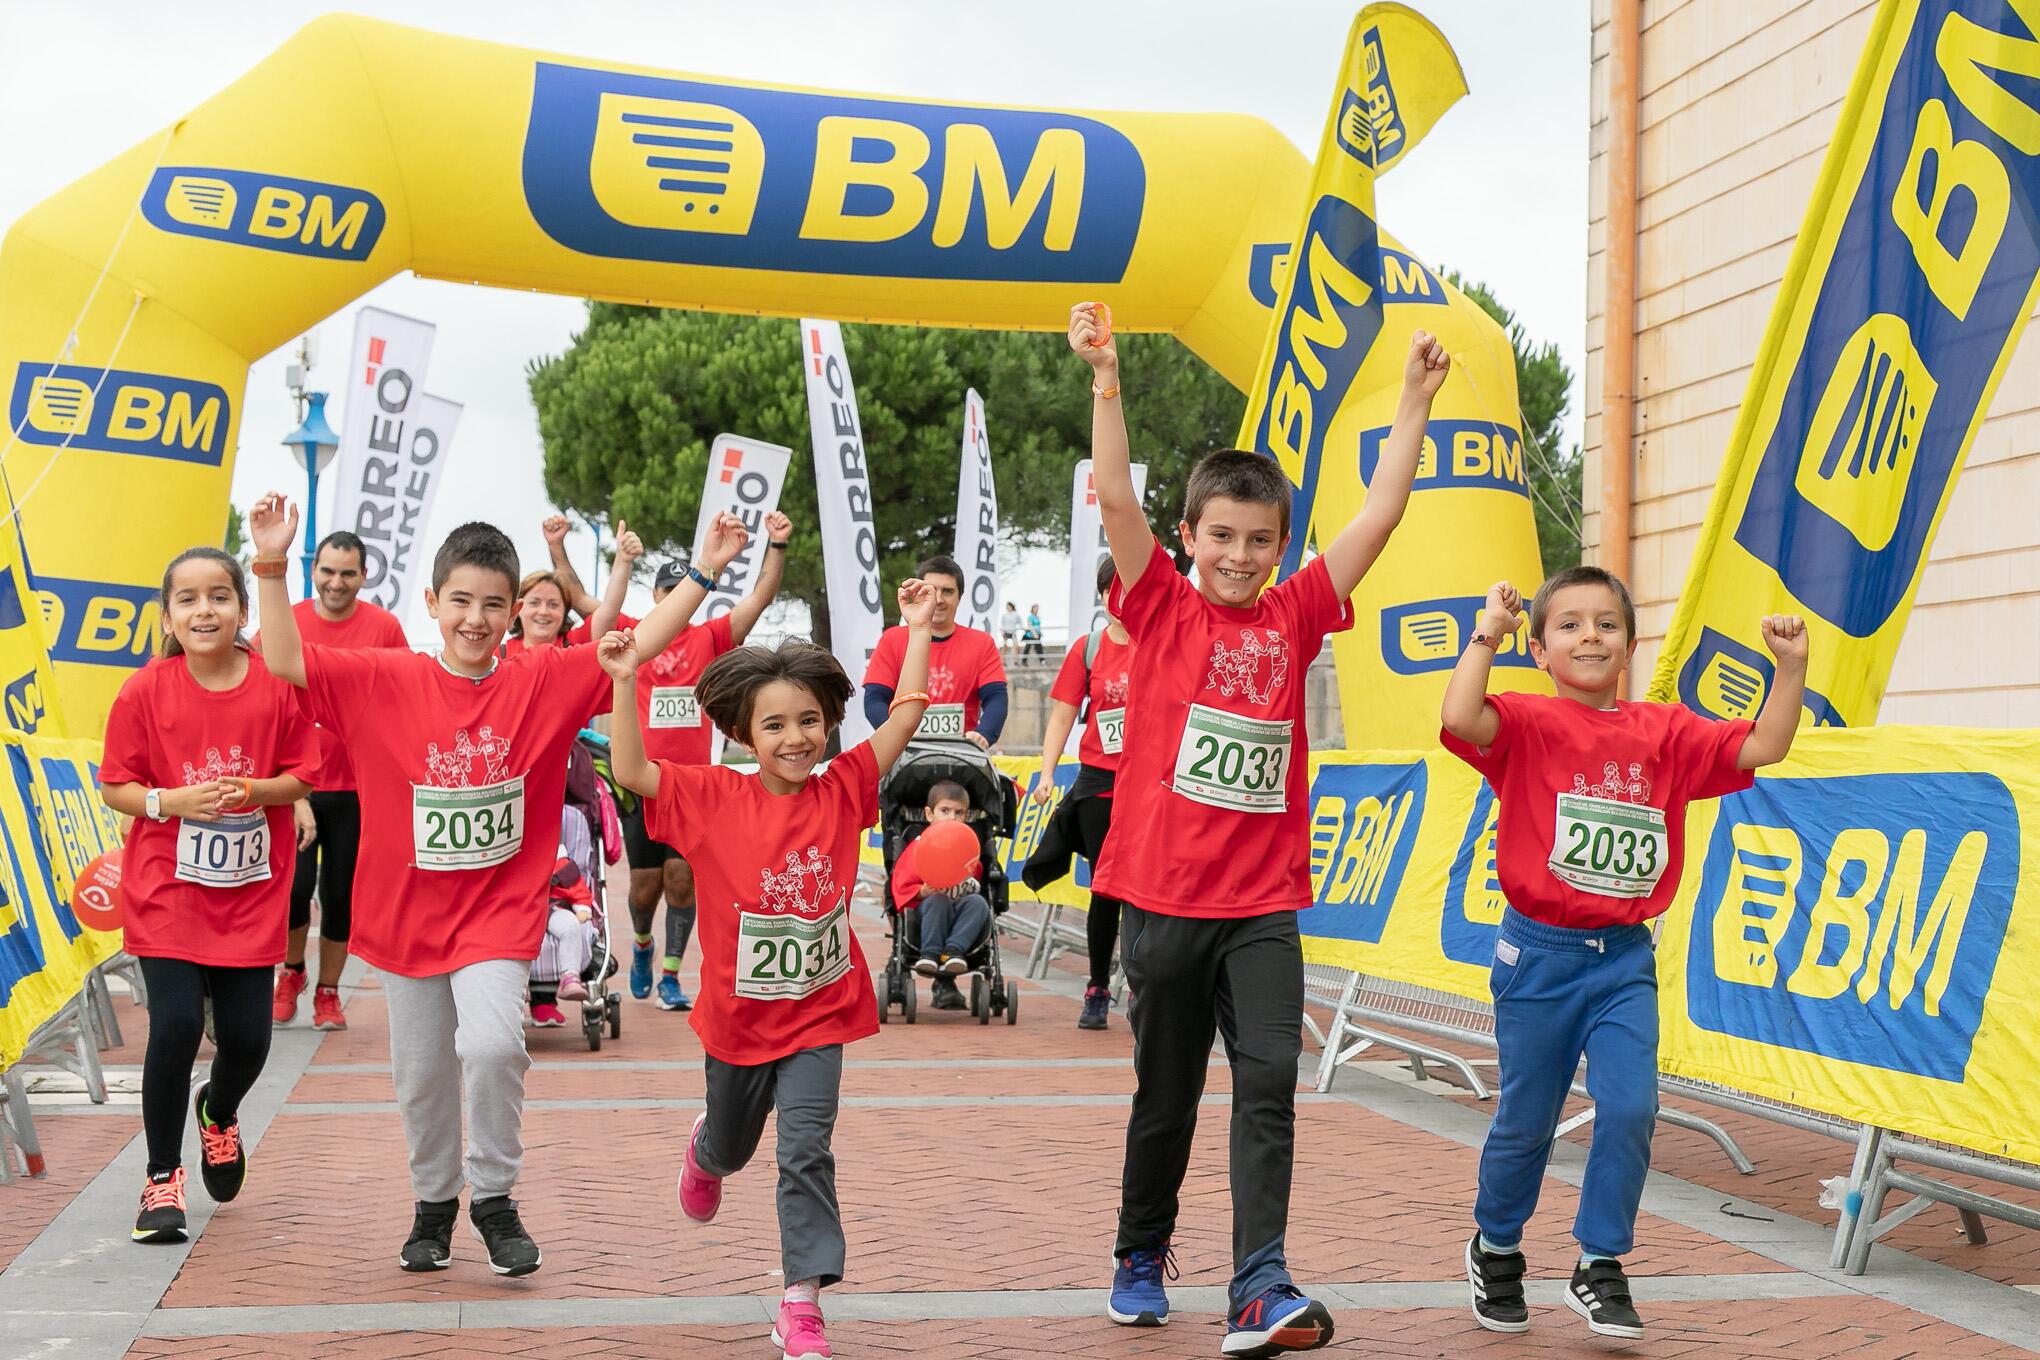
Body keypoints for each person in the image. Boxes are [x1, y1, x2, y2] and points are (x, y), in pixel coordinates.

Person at [1070, 300, 1447, 1356]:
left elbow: (1380, 514)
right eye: (1222, 537)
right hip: (1164, 900)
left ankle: (1258, 1281)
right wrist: (1108, 379)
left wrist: (1414, 401)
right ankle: (1140, 1251)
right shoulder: (1161, 606)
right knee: (1170, 1095)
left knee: (1270, 1079)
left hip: (1264, 906)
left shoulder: (1297, 611)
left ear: (1284, 546)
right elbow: (1112, 493)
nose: (1241, 556)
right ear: (1188, 539)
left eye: (1261, 541)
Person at [245, 490, 743, 1278]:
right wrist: (270, 562)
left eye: (493, 605)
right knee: (421, 1072)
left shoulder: (542, 680)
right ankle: (433, 1206)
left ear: (515, 609)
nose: (475, 620)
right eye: (460, 603)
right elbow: (281, 658)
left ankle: (495, 1198)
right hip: (405, 920)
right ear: (432, 603)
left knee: (491, 1045)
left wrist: (706, 573)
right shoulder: (383, 679)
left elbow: (638, 644)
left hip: (498, 918)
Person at [1442, 572, 1807, 1340]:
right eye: (1569, 626)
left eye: (1607, 624)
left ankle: (1599, 1262)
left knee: (1634, 1106)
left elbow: (1766, 744)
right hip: (1539, 955)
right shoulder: (1528, 721)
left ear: (1631, 646)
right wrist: (1486, 634)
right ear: (1540, 650)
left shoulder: (1666, 732)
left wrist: (1791, 669)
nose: (1590, 637)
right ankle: (1496, 1247)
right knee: (1527, 1120)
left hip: (1622, 962)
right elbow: (1458, 714)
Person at [599, 577, 938, 1360]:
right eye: (776, 724)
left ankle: (801, 1300)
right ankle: (705, 1151)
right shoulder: (711, 796)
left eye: (811, 721)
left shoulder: (846, 786)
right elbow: (635, 772)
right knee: (735, 1144)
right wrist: (623, 682)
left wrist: (915, 628)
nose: (797, 738)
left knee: (806, 1149)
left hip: (823, 1010)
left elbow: (906, 717)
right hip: (738, 1020)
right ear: (746, 734)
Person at [99, 547, 317, 1244]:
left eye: (219, 596)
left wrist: (254, 791)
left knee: (250, 1040)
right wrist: (172, 800)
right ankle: (162, 1178)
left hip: (249, 893)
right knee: (175, 1028)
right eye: (187, 600)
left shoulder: (277, 687)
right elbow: (117, 786)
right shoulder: (144, 691)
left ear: (242, 610)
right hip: (167, 890)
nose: (204, 610)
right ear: (167, 616)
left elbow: (303, 777)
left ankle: (217, 1114)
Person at [612, 511, 792, 1012]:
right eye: (664, 594)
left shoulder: (708, 636)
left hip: (689, 785)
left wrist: (775, 546)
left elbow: (759, 599)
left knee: (681, 880)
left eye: (679, 593)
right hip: (639, 781)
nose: (672, 601)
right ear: (654, 599)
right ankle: (643, 945)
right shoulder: (633, 634)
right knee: (645, 888)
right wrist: (605, 560)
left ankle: (671, 975)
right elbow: (594, 610)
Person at [260, 530, 409, 1033]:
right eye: (327, 571)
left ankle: (328, 993)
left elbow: (404, 701)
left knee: (341, 895)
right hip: (293, 787)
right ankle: (292, 972)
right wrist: (288, 786)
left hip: (356, 790)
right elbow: (260, 699)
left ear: (364, 576)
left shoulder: (384, 628)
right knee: (293, 891)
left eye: (347, 573)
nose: (336, 582)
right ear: (313, 571)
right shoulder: (289, 623)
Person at [1032, 555, 1134, 1030]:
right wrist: (1048, 771)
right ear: (1101, 595)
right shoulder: (1089, 649)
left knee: (1151, 891)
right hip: (1099, 781)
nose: (1123, 600)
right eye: (1113, 590)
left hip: (1154, 783)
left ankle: (1147, 984)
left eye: (1132, 587)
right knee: (1107, 887)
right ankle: (1097, 985)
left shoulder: (1165, 641)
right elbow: (1063, 714)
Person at [862, 554, 1006, 750]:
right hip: (904, 751)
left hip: (963, 752)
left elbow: (996, 697)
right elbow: (875, 698)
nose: (938, 599)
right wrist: (897, 737)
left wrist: (984, 734)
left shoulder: (982, 643)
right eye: (931, 591)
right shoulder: (891, 639)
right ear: (917, 593)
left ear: (959, 597)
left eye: (947, 591)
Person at [888, 779, 990, 1011]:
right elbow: (901, 881)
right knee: (938, 900)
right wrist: (920, 891)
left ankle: (954, 950)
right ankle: (931, 954)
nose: (952, 818)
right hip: (929, 910)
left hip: (961, 908)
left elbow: (976, 873)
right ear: (929, 814)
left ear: (966, 816)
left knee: (978, 903)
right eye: (945, 811)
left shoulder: (968, 846)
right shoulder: (919, 845)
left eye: (959, 812)